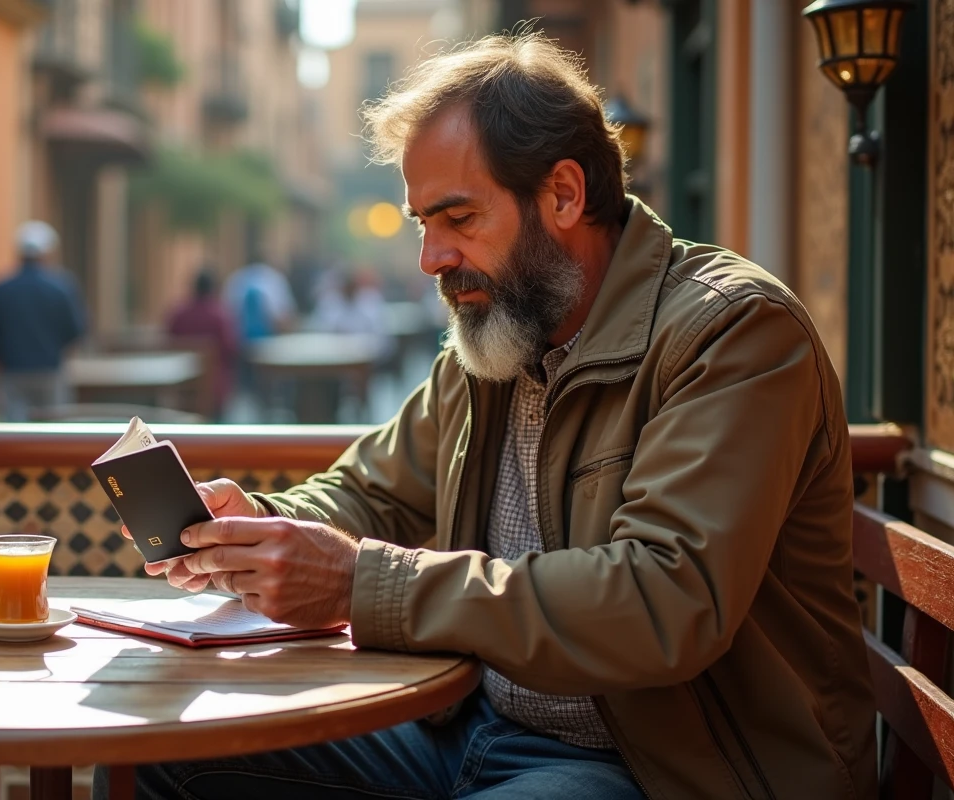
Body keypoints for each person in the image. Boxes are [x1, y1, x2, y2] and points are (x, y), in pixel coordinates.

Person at [96, 33, 875, 799]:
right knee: (153, 755)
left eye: (459, 218)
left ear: (564, 194)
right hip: (469, 727)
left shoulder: (732, 333)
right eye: (422, 225)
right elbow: (375, 492)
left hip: (658, 769)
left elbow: (664, 600)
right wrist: (254, 531)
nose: (431, 258)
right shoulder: (499, 334)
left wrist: (363, 582)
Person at [0, 221, 86, 421]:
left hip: (12, 374)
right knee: (54, 431)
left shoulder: (1, 289)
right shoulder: (62, 287)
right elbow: (76, 330)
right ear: (48, 253)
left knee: (15, 434)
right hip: (50, 371)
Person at [167, 268, 239, 416]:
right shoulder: (220, 316)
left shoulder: (178, 314)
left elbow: (169, 344)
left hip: (180, 386)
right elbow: (230, 348)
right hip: (213, 387)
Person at [223, 251, 297, 344]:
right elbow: (286, 316)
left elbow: (227, 313)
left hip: (240, 342)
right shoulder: (274, 279)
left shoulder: (235, 278)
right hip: (269, 342)